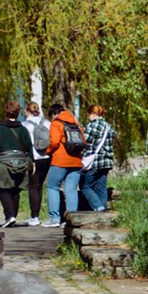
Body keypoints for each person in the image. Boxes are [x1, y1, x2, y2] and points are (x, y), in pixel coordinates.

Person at [0, 102, 32, 224]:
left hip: (4, 163)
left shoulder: (0, 129)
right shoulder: (22, 129)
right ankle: (12, 216)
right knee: (15, 190)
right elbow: (28, 147)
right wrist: (33, 162)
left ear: (6, 112)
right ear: (18, 113)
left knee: (3, 189)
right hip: (21, 163)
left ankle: (10, 215)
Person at [45, 92, 85, 223]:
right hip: (76, 161)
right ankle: (71, 220)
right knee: (71, 189)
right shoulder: (76, 124)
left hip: (60, 161)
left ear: (52, 114)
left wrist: (48, 151)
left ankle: (54, 218)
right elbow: (83, 141)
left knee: (52, 187)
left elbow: (55, 141)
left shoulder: (56, 123)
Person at [78, 103, 116, 211]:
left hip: (95, 161)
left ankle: (98, 207)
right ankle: (103, 211)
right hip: (107, 161)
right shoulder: (108, 126)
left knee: (85, 186)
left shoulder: (92, 126)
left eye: (88, 115)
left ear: (92, 114)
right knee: (101, 188)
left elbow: (84, 142)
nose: (88, 118)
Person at [22, 100, 51, 220]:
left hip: (34, 157)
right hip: (46, 157)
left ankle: (35, 216)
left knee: (33, 186)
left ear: (27, 111)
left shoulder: (25, 125)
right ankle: (38, 214)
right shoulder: (47, 123)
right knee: (40, 186)